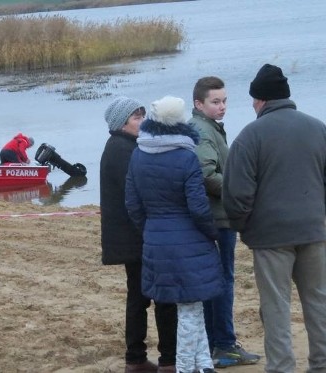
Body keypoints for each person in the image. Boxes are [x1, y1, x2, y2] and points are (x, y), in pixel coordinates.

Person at [222, 64, 326, 373]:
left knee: (277, 305)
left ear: (260, 99)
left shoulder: (249, 136)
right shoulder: (318, 128)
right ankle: (321, 363)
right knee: (319, 301)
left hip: (270, 238)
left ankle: (281, 367)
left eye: (253, 99)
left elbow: (237, 194)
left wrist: (244, 226)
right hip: (313, 231)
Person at [125, 96, 224, 373]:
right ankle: (183, 367)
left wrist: (151, 231)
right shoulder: (186, 156)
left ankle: (204, 364)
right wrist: (212, 233)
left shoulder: (138, 154)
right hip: (189, 241)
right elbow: (198, 207)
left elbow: (133, 204)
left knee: (189, 308)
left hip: (156, 240)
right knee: (191, 310)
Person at [100, 96, 177, 373]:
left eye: (144, 115)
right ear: (122, 123)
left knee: (140, 298)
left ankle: (138, 358)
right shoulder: (122, 150)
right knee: (160, 298)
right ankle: (165, 360)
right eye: (136, 117)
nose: (142, 121)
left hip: (135, 238)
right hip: (139, 239)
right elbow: (141, 193)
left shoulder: (126, 146)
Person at [187, 76, 260, 368]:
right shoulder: (203, 131)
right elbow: (206, 175)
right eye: (215, 102)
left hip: (214, 217)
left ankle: (216, 343)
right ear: (198, 104)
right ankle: (225, 346)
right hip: (218, 219)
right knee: (222, 281)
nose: (222, 107)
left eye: (225, 101)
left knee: (216, 281)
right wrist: (238, 191)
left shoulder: (208, 128)